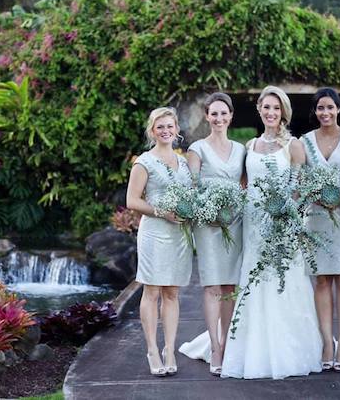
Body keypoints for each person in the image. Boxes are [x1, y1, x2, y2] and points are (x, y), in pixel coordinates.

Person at [221, 86, 322, 379]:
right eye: (266, 107)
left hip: (282, 224)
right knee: (254, 276)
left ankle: (287, 349)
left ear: (284, 113)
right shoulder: (249, 146)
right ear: (259, 110)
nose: (271, 113)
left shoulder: (293, 145)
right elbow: (244, 184)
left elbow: (301, 187)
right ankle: (250, 349)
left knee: (284, 281)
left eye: (276, 108)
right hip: (253, 224)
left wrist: (286, 214)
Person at [178, 93, 246, 375]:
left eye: (224, 113)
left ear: (231, 116)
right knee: (213, 287)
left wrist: (232, 207)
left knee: (230, 286)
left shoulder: (242, 149)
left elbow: (244, 185)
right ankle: (216, 349)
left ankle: (229, 345)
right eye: (213, 114)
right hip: (208, 225)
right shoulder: (197, 148)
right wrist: (210, 209)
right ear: (207, 116)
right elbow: (192, 187)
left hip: (235, 223)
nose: (219, 119)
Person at [300, 88, 340, 372]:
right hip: (316, 217)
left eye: (330, 107)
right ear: (314, 112)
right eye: (320, 108)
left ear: (338, 109)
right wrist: (313, 194)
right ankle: (327, 341)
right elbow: (299, 178)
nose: (325, 113)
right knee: (322, 281)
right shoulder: (304, 142)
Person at [126, 107, 194, 377]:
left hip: (179, 235)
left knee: (172, 293)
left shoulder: (184, 162)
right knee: (152, 291)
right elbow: (132, 201)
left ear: (176, 129)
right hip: (154, 232)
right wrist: (161, 212)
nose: (166, 131)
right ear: (152, 131)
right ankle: (152, 349)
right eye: (160, 127)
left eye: (170, 126)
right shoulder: (144, 162)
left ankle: (169, 348)